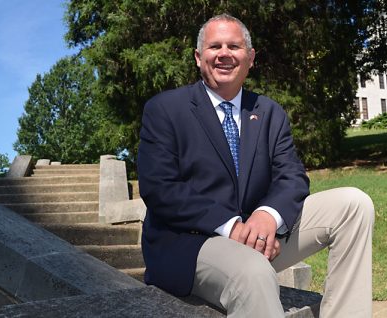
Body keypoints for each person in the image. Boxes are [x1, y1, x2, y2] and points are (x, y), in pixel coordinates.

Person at [138, 13, 374, 318]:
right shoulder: (165, 109)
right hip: (191, 245)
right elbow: (161, 188)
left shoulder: (269, 112)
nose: (224, 53)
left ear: (250, 58)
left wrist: (267, 216)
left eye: (234, 46)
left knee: (354, 205)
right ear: (199, 57)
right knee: (254, 272)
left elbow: (292, 176)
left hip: (259, 237)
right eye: (215, 47)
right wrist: (233, 227)